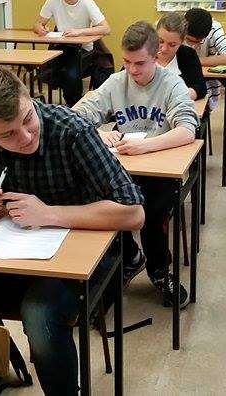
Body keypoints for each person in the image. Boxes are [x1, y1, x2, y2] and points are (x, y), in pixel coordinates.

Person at [0, 67, 143, 395]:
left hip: (84, 259)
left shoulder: (71, 130)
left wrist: (49, 213)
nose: (24, 137)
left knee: (40, 314)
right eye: (7, 134)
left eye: (28, 119)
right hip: (14, 254)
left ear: (30, 99)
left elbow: (133, 212)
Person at [73, 20, 199, 306]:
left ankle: (159, 270)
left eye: (140, 63)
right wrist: (99, 133)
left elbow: (187, 130)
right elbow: (78, 116)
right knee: (98, 204)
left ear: (156, 56)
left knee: (151, 213)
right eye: (127, 62)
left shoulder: (172, 84)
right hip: (123, 168)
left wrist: (145, 146)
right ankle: (129, 257)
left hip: (160, 170)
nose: (132, 70)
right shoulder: (117, 82)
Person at [34, 0, 112, 106]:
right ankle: (69, 103)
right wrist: (40, 28)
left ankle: (75, 106)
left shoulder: (86, 2)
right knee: (49, 69)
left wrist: (79, 32)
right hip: (61, 46)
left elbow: (106, 28)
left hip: (82, 49)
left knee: (71, 75)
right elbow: (37, 24)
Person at [183, 7, 226, 110]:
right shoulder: (175, 26)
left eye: (198, 42)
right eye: (189, 40)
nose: (193, 46)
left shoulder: (214, 28)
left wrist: (193, 61)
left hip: (205, 87)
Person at [155, 12, 207, 101]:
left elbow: (200, 88)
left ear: (182, 42)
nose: (164, 49)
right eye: (160, 41)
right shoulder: (144, 51)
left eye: (172, 45)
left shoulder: (188, 55)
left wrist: (180, 96)